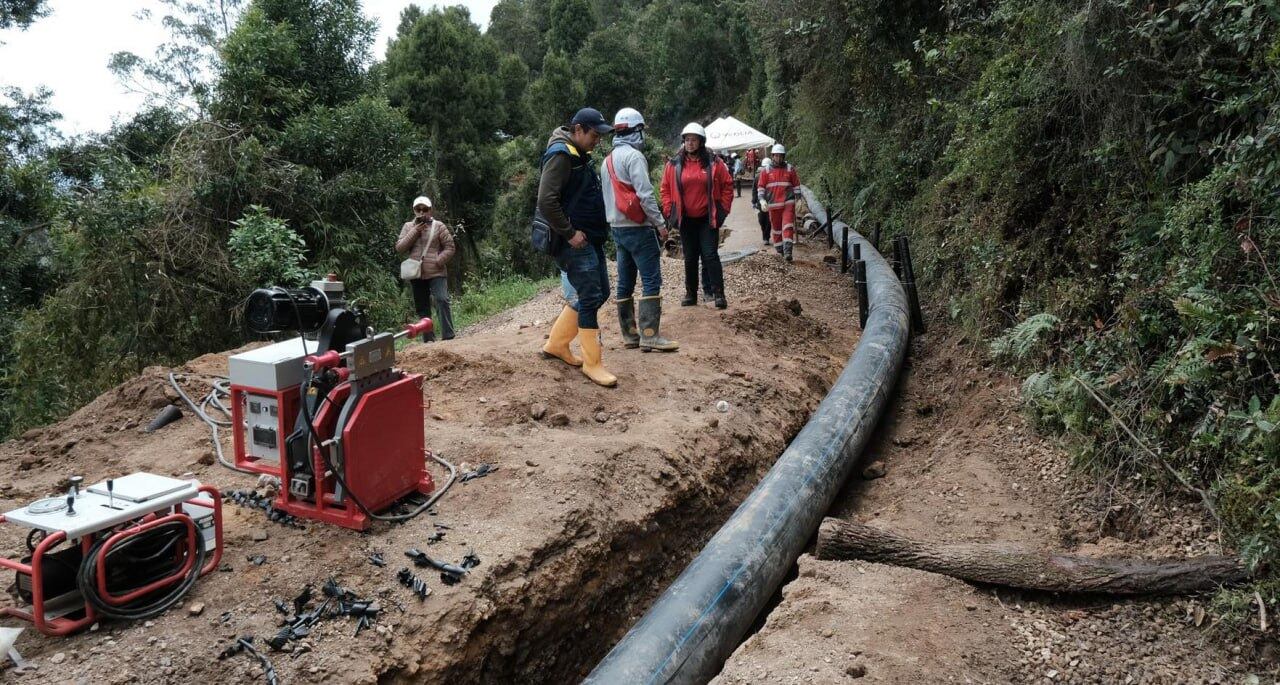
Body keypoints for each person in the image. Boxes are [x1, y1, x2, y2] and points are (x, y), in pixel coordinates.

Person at [536, 107, 617, 387]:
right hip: (574, 241)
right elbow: (546, 200)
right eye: (595, 134)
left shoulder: (578, 153)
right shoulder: (561, 155)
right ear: (579, 129)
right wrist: (570, 233)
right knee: (591, 295)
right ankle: (593, 364)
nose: (598, 140)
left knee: (600, 291)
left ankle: (557, 345)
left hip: (589, 238)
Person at [601, 107, 678, 353]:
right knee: (651, 279)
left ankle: (630, 335)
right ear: (636, 131)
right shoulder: (634, 157)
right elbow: (645, 196)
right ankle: (650, 335)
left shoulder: (607, 160)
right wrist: (661, 225)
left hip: (617, 228)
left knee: (625, 282)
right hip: (638, 228)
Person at [660, 122, 734, 309]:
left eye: (694, 140)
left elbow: (727, 185)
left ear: (701, 141)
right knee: (690, 257)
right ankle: (690, 294)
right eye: (687, 140)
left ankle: (718, 294)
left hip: (708, 218)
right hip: (685, 219)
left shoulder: (714, 162)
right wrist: (670, 211)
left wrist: (723, 209)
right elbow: (665, 189)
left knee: (710, 255)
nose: (690, 143)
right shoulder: (674, 163)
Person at [395, 195, 455, 340]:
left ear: (430, 210)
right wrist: (415, 231)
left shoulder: (439, 226)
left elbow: (450, 247)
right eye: (418, 209)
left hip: (437, 271)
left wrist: (439, 260)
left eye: (425, 209)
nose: (421, 212)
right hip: (417, 274)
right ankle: (428, 339)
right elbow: (400, 247)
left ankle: (448, 336)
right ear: (414, 210)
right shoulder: (408, 226)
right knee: (422, 307)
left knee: (442, 299)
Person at [758, 143, 801, 262]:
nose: (778, 158)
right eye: (776, 156)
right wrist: (761, 200)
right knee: (776, 229)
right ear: (772, 156)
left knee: (787, 226)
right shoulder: (765, 171)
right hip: (773, 204)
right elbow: (761, 187)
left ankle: (788, 251)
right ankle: (779, 251)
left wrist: (798, 199)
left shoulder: (789, 169)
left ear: (783, 156)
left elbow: (796, 185)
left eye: (780, 156)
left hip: (788, 202)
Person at [751, 157, 774, 245]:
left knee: (768, 220)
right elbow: (754, 189)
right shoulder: (757, 176)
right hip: (760, 202)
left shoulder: (772, 175)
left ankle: (766, 237)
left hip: (770, 201)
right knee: (761, 220)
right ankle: (764, 235)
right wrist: (753, 201)